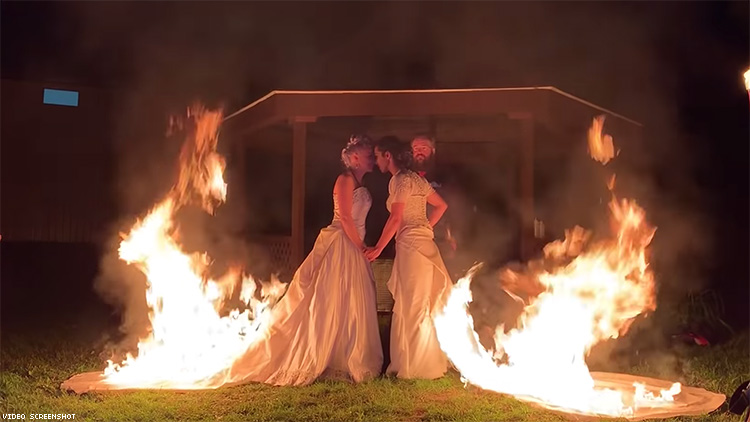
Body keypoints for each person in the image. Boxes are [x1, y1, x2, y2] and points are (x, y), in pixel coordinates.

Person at [227, 135, 383, 386]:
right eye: (368, 155)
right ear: (354, 158)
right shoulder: (345, 180)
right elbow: (345, 218)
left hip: (354, 243)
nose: (372, 159)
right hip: (342, 243)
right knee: (331, 298)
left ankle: (347, 354)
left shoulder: (360, 182)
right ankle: (322, 351)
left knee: (352, 299)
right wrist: (361, 246)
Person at [365, 135, 452, 380]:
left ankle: (415, 367)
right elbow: (441, 206)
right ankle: (420, 362)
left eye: (378, 156)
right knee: (417, 302)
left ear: (388, 156)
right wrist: (425, 228)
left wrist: (378, 248)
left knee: (412, 303)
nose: (377, 161)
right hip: (421, 243)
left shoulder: (400, 180)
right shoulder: (415, 179)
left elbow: (395, 218)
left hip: (412, 247)